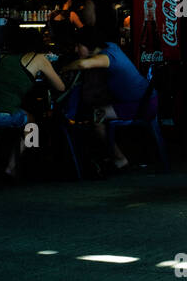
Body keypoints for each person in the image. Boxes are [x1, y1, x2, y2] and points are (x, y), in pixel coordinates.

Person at [59, 20, 154, 174]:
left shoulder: (106, 57)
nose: (76, 49)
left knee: (96, 117)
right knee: (97, 111)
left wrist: (64, 68)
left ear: (89, 44)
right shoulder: (111, 47)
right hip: (144, 100)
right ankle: (110, 156)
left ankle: (119, 159)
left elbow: (83, 65)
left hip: (140, 104)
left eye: (79, 45)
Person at [0, 23, 66, 178]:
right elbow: (60, 87)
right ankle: (17, 164)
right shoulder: (39, 58)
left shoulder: (6, 58)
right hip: (4, 114)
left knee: (20, 119)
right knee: (32, 124)